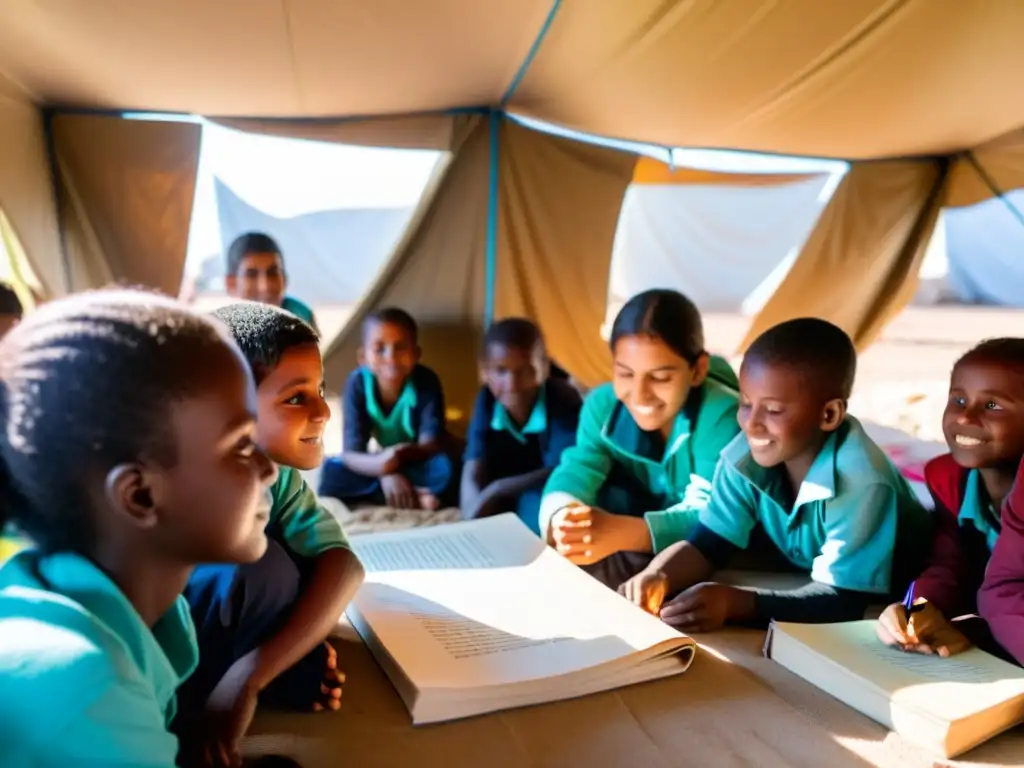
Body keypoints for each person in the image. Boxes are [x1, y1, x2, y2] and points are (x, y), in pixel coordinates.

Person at [0, 290, 278, 766]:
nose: (269, 468)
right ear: (141, 495)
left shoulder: (100, 601)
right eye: (241, 445)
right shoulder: (87, 687)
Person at [620, 318, 931, 632]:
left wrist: (733, 603)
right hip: (807, 566)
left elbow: (844, 600)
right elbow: (709, 542)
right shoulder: (742, 455)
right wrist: (659, 573)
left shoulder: (861, 479)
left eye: (773, 410)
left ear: (829, 414)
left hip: (887, 588)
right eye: (746, 403)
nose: (751, 424)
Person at [181, 302, 364, 728]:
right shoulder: (181, 478)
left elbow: (343, 564)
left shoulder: (279, 479)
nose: (322, 412)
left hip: (220, 631)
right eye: (296, 397)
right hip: (158, 639)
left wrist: (252, 673)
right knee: (265, 569)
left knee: (297, 571)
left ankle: (244, 671)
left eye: (319, 391)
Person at [540, 289, 741, 587]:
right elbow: (578, 468)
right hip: (634, 519)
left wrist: (635, 533)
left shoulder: (722, 413)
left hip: (705, 549)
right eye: (624, 373)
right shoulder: (602, 406)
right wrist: (563, 515)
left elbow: (715, 510)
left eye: (660, 377)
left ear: (698, 370)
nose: (639, 394)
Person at [877, 339, 1024, 658]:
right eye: (958, 399)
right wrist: (917, 607)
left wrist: (976, 632)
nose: (966, 418)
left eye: (993, 406)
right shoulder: (949, 479)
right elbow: (948, 562)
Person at [319, 308, 456, 509]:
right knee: (331, 473)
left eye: (400, 347)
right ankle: (413, 495)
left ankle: (396, 493)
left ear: (416, 354)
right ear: (363, 357)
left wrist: (396, 458)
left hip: (415, 458)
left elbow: (430, 445)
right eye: (379, 349)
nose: (391, 357)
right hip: (379, 461)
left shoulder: (426, 381)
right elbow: (351, 453)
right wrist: (384, 471)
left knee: (447, 468)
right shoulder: (357, 384)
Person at [461, 318, 582, 534]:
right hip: (503, 485)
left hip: (543, 487)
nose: (512, 385)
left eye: (526, 371)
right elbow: (473, 467)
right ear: (484, 372)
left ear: (544, 368)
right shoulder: (486, 400)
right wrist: (470, 516)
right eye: (500, 371)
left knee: (537, 509)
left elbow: (561, 468)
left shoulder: (563, 399)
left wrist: (497, 489)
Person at [225, 232, 318, 331]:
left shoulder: (301, 316)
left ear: (285, 279)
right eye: (251, 274)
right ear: (231, 283)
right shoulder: (220, 331)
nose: (264, 287)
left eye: (273, 273)